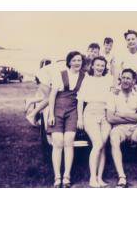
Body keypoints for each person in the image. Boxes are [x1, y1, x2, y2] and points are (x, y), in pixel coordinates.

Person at [48, 51, 86, 188]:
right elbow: (52, 96)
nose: (77, 63)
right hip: (57, 109)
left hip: (72, 110)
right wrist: (51, 115)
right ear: (69, 62)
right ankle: (57, 176)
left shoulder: (84, 76)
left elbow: (82, 98)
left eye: (79, 60)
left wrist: (80, 118)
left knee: (69, 141)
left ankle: (67, 176)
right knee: (57, 142)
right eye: (74, 60)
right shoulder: (60, 74)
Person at [77, 56, 112, 187]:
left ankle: (100, 178)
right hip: (90, 113)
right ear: (92, 66)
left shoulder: (108, 79)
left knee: (102, 145)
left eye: (102, 65)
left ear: (105, 67)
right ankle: (92, 178)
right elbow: (80, 100)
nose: (99, 68)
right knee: (97, 143)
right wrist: (80, 118)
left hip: (105, 114)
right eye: (97, 65)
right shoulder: (87, 79)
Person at [113, 30, 137, 94]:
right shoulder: (121, 54)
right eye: (128, 40)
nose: (131, 41)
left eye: (133, 39)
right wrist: (115, 87)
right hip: (124, 82)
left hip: (135, 84)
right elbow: (116, 71)